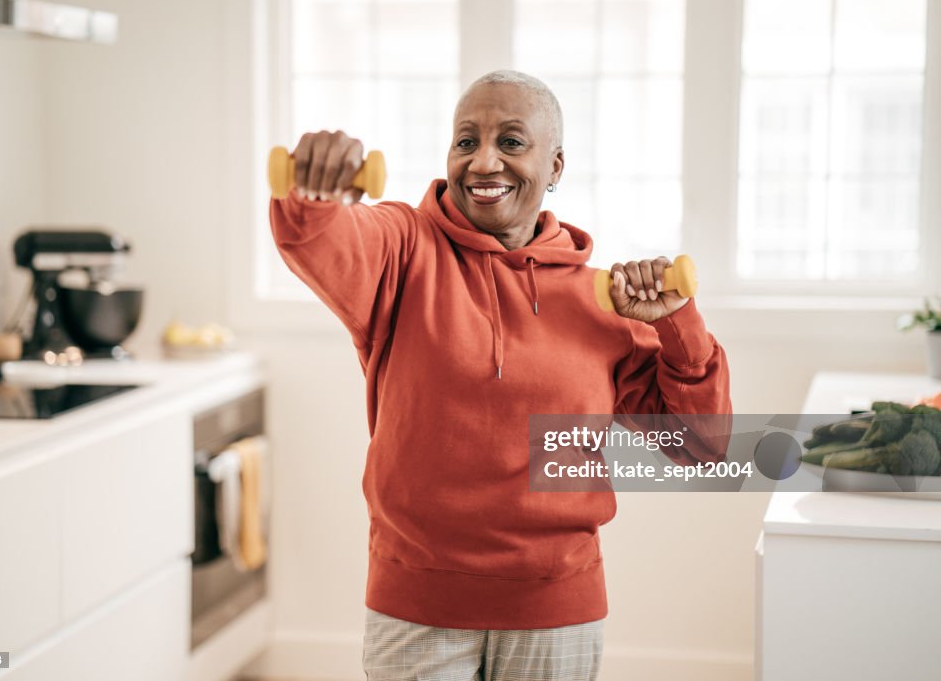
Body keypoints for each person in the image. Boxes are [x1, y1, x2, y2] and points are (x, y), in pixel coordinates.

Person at [270, 70, 731, 680]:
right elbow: (321, 237)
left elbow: (701, 446)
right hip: (418, 606)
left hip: (556, 605)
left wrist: (677, 324)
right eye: (466, 142)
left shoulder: (602, 301)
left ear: (556, 165)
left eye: (511, 142)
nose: (484, 161)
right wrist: (313, 190)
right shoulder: (404, 249)